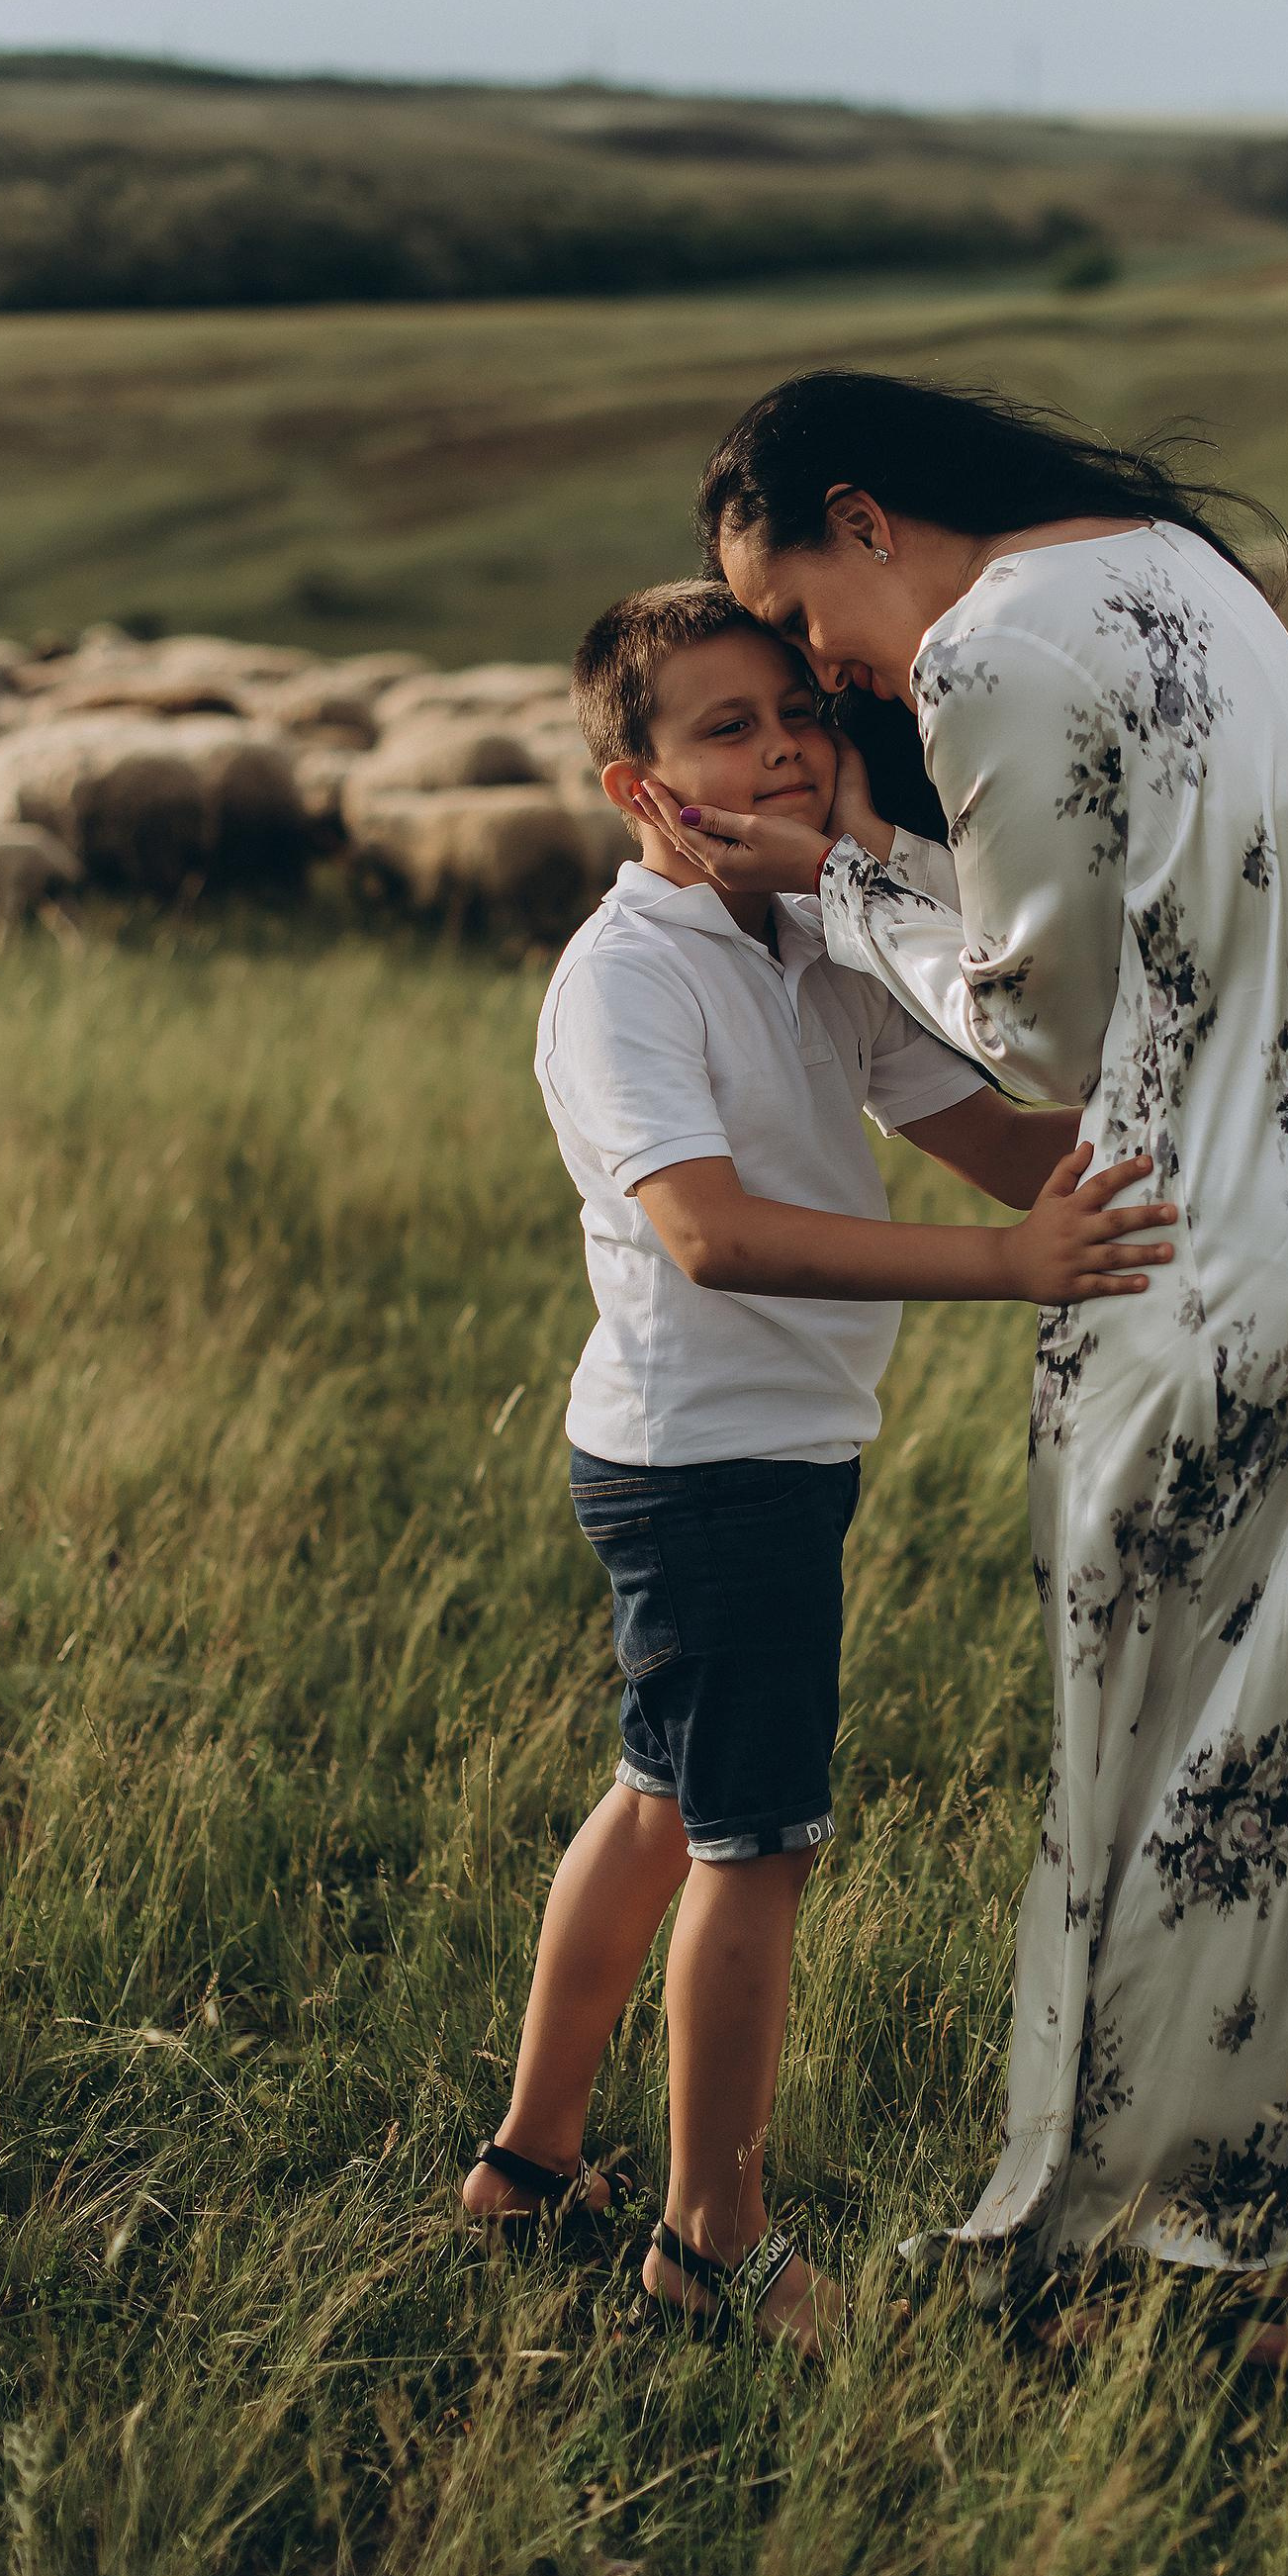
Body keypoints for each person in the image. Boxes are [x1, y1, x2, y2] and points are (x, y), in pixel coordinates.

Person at [658, 372, 1288, 2346]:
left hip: (1214, 1245)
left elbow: (1045, 1036)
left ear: (866, 513)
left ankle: (1180, 2226)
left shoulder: (988, 643)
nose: (830, 673)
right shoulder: (1174, 567)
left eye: (813, 618)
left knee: (1190, 1750)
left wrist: (823, 888)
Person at [461, 578, 1174, 2359]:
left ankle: (530, 2166)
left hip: (757, 1453)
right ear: (639, 790)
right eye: (726, 728)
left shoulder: (799, 942)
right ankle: (716, 2240)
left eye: (801, 711)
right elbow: (708, 1234)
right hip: (706, 1466)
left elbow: (999, 1142)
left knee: (656, 1804)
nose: (781, 745)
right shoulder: (625, 977)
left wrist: (1178, 1126)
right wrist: (1007, 1278)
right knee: (750, 1850)